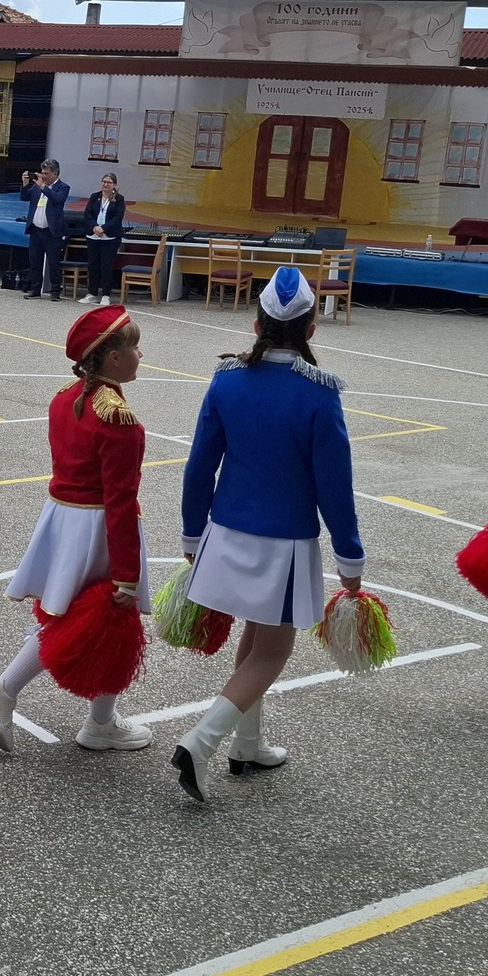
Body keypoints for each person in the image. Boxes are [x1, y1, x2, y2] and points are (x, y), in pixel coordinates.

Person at [171, 267, 366, 795]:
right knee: (274, 651)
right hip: (285, 541)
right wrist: (349, 557)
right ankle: (201, 742)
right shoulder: (319, 394)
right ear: (311, 330)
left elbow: (199, 464)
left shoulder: (227, 379)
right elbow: (335, 486)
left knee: (256, 638)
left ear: (256, 325)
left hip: (227, 528)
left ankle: (248, 744)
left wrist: (192, 533)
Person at [0, 304, 154, 755]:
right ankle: (93, 721)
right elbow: (120, 502)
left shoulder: (65, 397)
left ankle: (39, 699)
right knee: (108, 621)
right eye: (134, 348)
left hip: (63, 521)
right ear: (113, 358)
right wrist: (128, 574)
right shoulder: (118, 420)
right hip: (99, 530)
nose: (141, 355)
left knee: (73, 618)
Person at [23, 159, 71, 301]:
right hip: (36, 229)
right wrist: (25, 184)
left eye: (46, 173)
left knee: (53, 262)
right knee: (35, 262)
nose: (43, 176)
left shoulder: (63, 187)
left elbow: (57, 199)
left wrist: (44, 187)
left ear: (55, 173)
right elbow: (24, 197)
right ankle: (35, 289)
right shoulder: (37, 186)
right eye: (42, 173)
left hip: (52, 231)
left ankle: (55, 291)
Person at [84, 173, 127, 307]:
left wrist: (103, 228)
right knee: (93, 265)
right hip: (93, 235)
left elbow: (117, 217)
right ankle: (92, 293)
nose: (106, 184)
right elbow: (87, 214)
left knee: (106, 266)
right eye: (104, 181)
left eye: (109, 182)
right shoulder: (94, 196)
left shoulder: (118, 199)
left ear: (114, 185)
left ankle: (105, 295)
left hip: (110, 237)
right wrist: (95, 227)